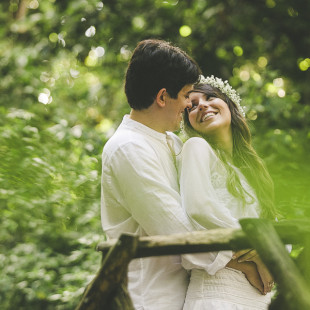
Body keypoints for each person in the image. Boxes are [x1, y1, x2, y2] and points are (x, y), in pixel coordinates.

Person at [101, 39, 201, 310]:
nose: (188, 105)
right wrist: (243, 261)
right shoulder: (127, 148)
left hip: (187, 293)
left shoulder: (172, 142)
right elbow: (176, 231)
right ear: (161, 97)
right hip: (150, 299)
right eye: (184, 95)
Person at [179, 75, 276, 310]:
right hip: (219, 291)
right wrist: (257, 251)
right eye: (191, 106)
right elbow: (198, 208)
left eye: (210, 97)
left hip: (260, 296)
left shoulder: (254, 170)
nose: (201, 105)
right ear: (189, 122)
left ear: (229, 105)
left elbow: (273, 224)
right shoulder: (196, 147)